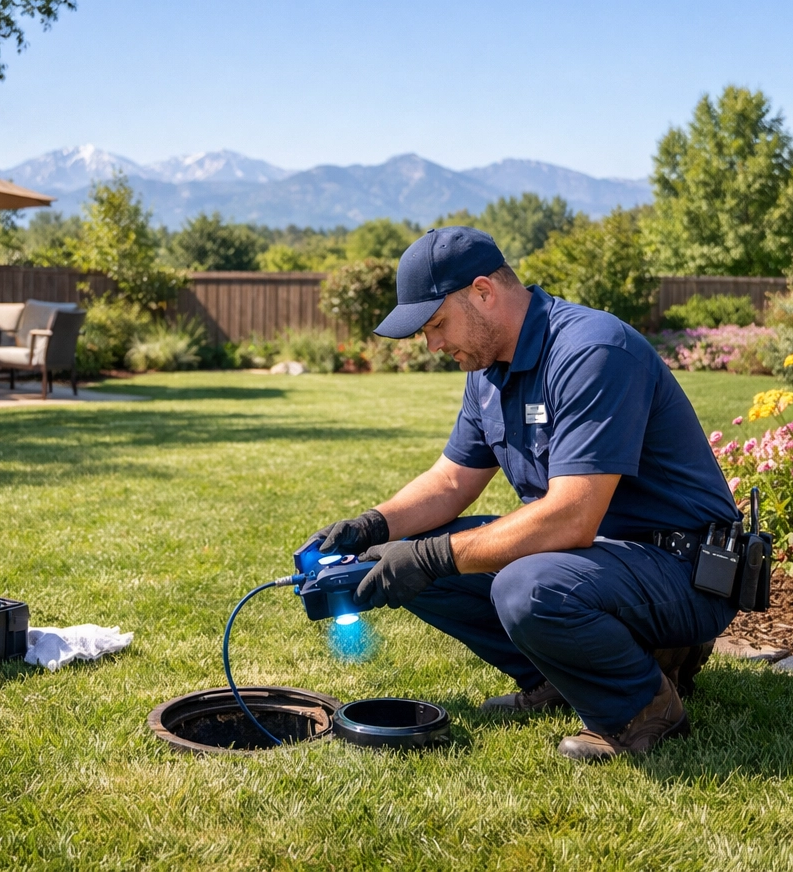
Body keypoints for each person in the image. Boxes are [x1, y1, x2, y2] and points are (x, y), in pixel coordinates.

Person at [316, 226, 742, 761]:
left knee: (525, 585)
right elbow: (451, 482)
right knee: (396, 560)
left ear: (483, 292)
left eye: (437, 324)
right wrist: (372, 527)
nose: (434, 345)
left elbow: (572, 518)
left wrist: (429, 556)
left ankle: (640, 707)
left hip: (683, 570)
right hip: (598, 561)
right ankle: (564, 677)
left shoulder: (591, 351)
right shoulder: (488, 372)